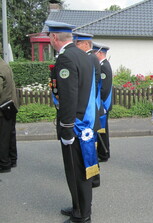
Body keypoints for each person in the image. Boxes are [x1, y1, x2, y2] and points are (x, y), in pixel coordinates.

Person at [46, 20, 99, 223]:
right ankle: (81, 205)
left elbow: (68, 96)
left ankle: (82, 215)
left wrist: (67, 129)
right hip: (85, 121)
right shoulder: (84, 56)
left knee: (75, 171)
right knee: (82, 169)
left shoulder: (66, 59)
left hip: (75, 126)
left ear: (54, 37)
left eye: (49, 37)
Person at [73, 32, 102, 188]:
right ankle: (94, 176)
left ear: (86, 44)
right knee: (90, 144)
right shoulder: (89, 58)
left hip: (88, 110)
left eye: (78, 43)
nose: (76, 46)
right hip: (90, 108)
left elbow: (93, 87)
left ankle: (94, 178)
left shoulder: (89, 58)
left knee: (89, 144)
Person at [93, 42, 113, 162]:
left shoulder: (104, 66)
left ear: (100, 53)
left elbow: (104, 88)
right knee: (101, 129)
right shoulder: (102, 65)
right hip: (101, 103)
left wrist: (101, 104)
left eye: (95, 52)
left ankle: (103, 154)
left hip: (103, 103)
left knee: (102, 130)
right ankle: (103, 152)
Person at [0, 57, 18, 173]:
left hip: (2, 108)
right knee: (10, 134)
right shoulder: (3, 64)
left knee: (3, 137)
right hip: (10, 105)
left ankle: (4, 164)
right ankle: (12, 159)